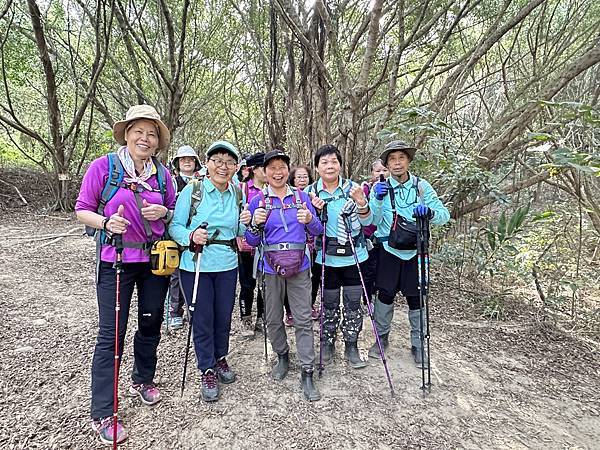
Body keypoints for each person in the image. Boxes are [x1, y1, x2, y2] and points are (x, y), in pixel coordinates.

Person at [75, 105, 176, 445]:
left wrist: (165, 210)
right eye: (139, 131)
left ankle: (142, 379)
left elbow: (174, 213)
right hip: (114, 258)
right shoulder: (104, 167)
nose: (144, 139)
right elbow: (82, 209)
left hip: (154, 261)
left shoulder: (163, 176)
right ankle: (103, 410)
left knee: (150, 322)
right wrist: (105, 222)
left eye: (151, 134)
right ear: (127, 134)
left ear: (157, 141)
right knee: (111, 333)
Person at [169, 140, 251, 402]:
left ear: (236, 167)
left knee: (223, 316)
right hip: (196, 265)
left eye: (229, 162)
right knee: (203, 318)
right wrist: (191, 235)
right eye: (218, 161)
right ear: (207, 164)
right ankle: (206, 367)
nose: (223, 167)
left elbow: (238, 232)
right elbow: (175, 227)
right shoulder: (193, 191)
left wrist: (247, 224)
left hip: (227, 264)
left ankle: (220, 357)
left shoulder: (238, 193)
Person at [245, 150, 323, 401]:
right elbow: (251, 240)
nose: (277, 172)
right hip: (270, 267)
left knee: (302, 318)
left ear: (288, 170)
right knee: (273, 318)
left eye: (282, 167)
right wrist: (255, 224)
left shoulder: (301, 197)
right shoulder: (258, 200)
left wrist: (310, 218)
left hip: (299, 266)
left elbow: (317, 231)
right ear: (264, 172)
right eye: (272, 168)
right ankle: (281, 355)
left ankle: (307, 370)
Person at [367, 140, 449, 366]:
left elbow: (444, 215)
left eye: (401, 158)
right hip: (388, 250)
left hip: (416, 252)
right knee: (384, 296)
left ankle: (418, 344)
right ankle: (381, 338)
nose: (396, 163)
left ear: (409, 161)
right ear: (386, 164)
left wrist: (430, 212)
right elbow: (372, 220)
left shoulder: (422, 187)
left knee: (417, 299)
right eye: (392, 159)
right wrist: (377, 199)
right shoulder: (380, 188)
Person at [307, 144, 372, 370]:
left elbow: (367, 222)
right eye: (324, 162)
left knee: (354, 302)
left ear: (341, 165)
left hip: (355, 255)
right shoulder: (311, 193)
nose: (329, 166)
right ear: (316, 167)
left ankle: (352, 345)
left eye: (334, 161)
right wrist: (314, 212)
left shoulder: (354, 189)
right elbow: (307, 228)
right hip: (326, 258)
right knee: (329, 302)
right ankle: (327, 343)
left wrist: (362, 203)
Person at [165, 145, 203, 330]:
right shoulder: (172, 182)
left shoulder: (201, 183)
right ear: (177, 163)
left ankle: (192, 308)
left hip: (197, 235)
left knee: (194, 272)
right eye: (183, 159)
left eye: (190, 159)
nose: (187, 162)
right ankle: (175, 312)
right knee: (175, 274)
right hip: (176, 232)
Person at [283, 165, 319, 327]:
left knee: (313, 277)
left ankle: (308, 305)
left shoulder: (313, 195)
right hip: (293, 247)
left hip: (313, 246)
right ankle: (290, 311)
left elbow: (318, 225)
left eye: (305, 176)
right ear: (292, 179)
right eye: (299, 177)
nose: (302, 179)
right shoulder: (287, 196)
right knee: (289, 276)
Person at [237, 152, 267, 339]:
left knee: (265, 285)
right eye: (265, 167)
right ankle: (246, 318)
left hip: (266, 247)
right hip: (247, 246)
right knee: (247, 284)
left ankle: (262, 318)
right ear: (255, 170)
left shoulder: (274, 189)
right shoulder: (242, 189)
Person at [361, 159, 390, 299]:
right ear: (372, 173)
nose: (381, 174)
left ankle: (377, 294)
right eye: (378, 171)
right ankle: (367, 298)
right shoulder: (366, 189)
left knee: (381, 269)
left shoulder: (395, 189)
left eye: (384, 170)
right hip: (368, 236)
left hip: (387, 238)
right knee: (369, 269)